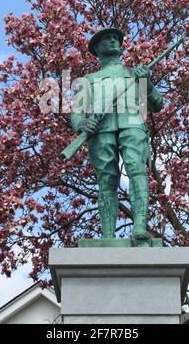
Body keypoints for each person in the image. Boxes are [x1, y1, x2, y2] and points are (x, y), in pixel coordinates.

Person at [71, 28, 163, 239]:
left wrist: (146, 83)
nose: (113, 41)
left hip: (132, 125)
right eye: (107, 39)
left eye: (115, 38)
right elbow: (76, 112)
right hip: (100, 130)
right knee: (106, 181)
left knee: (137, 170)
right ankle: (108, 236)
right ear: (97, 48)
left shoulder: (135, 73)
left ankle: (140, 226)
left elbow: (157, 104)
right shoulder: (89, 79)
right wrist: (82, 124)